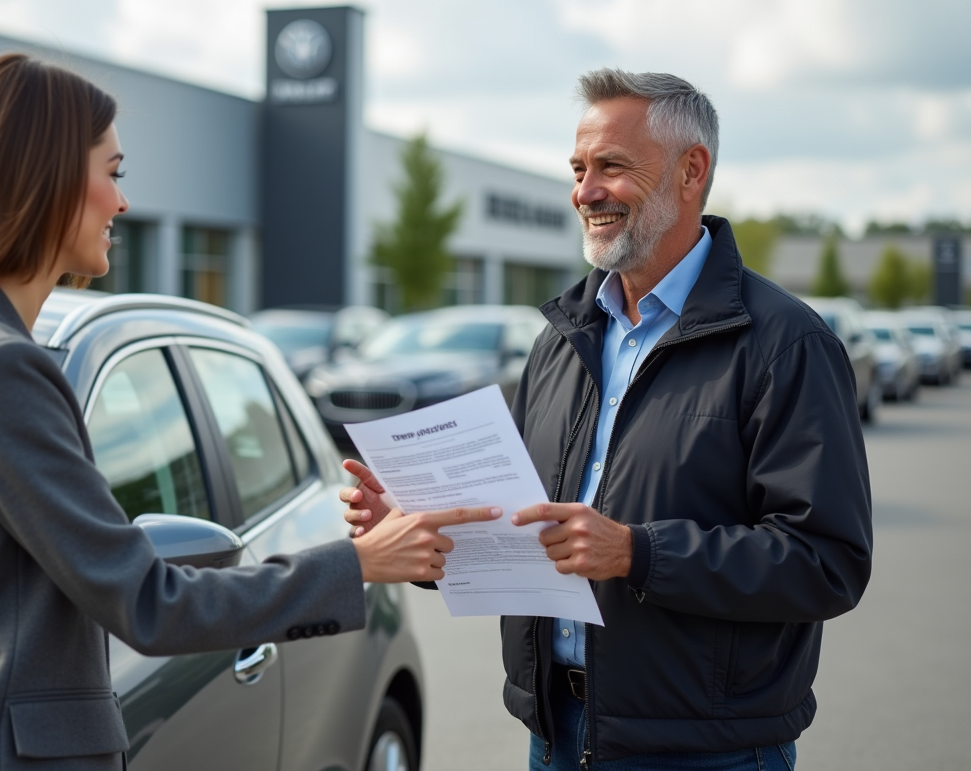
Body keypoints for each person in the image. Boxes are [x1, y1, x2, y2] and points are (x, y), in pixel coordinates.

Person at [0, 53, 499, 771]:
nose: (121, 204)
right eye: (112, 173)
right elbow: (148, 601)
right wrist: (357, 562)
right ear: (44, 179)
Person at [342, 69, 872, 770]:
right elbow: (523, 535)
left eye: (611, 168)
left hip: (707, 752)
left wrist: (638, 552)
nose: (584, 191)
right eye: (578, 168)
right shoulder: (561, 339)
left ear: (692, 171)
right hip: (559, 735)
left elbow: (827, 564)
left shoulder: (785, 344)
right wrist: (414, 531)